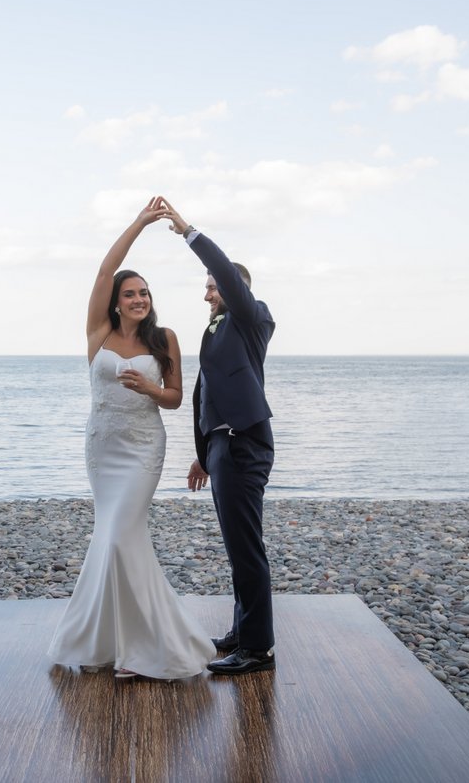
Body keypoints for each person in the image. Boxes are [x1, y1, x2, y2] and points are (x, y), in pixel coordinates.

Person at [47, 199, 215, 680]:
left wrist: (150, 388)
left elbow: (178, 398)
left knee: (121, 535)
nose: (139, 299)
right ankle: (108, 645)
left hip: (143, 450)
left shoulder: (165, 338)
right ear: (116, 302)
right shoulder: (97, 335)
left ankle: (145, 648)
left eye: (144, 293)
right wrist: (141, 222)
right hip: (102, 449)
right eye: (130, 294)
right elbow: (104, 270)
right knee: (112, 538)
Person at [158, 198, 277, 675]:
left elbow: (226, 274)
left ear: (234, 287)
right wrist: (203, 454)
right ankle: (242, 632)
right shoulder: (215, 332)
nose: (208, 294)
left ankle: (258, 650)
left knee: (247, 548)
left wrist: (189, 232)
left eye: (213, 287)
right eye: (206, 288)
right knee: (235, 546)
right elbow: (205, 395)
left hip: (246, 445)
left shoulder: (253, 318)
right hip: (223, 447)